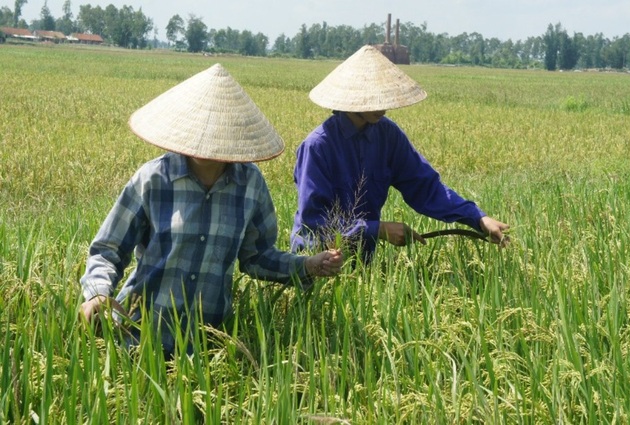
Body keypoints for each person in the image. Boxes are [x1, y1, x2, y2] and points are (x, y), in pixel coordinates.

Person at [79, 64, 343, 357]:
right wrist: (98, 293)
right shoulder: (154, 179)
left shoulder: (249, 184)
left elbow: (257, 257)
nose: (206, 141)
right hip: (140, 337)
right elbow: (108, 249)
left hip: (207, 345)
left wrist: (306, 265)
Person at [290, 45, 509, 262]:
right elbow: (316, 221)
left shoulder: (388, 135)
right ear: (352, 99)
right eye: (374, 98)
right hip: (317, 260)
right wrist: (378, 229)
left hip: (363, 259)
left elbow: (425, 188)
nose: (383, 106)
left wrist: (478, 218)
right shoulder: (318, 147)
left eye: (385, 97)